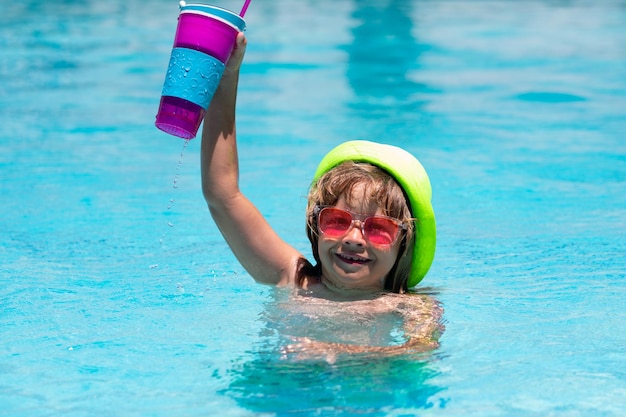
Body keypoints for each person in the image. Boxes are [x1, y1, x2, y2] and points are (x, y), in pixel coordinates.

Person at [201, 32, 442, 359]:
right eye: (337, 220)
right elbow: (223, 195)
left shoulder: (410, 306)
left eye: (378, 228)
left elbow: (420, 351)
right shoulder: (292, 276)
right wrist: (226, 81)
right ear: (316, 225)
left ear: (404, 241)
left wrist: (334, 350)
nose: (354, 238)